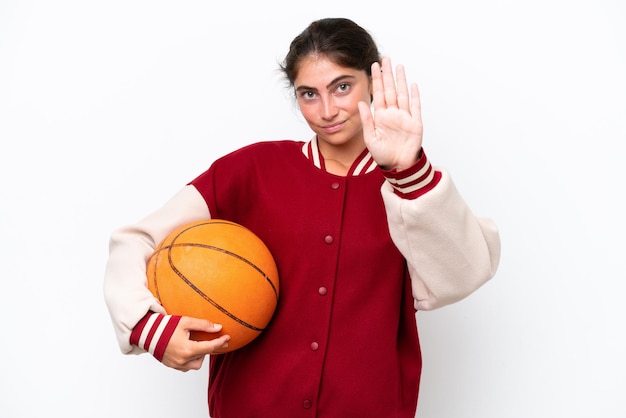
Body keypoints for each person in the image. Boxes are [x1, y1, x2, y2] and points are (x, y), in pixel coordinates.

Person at [103, 17, 501, 417]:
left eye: (342, 87)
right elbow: (136, 240)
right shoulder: (252, 169)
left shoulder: (409, 186)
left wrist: (409, 170)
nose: (327, 110)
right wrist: (147, 328)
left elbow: (463, 275)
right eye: (308, 94)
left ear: (373, 81)